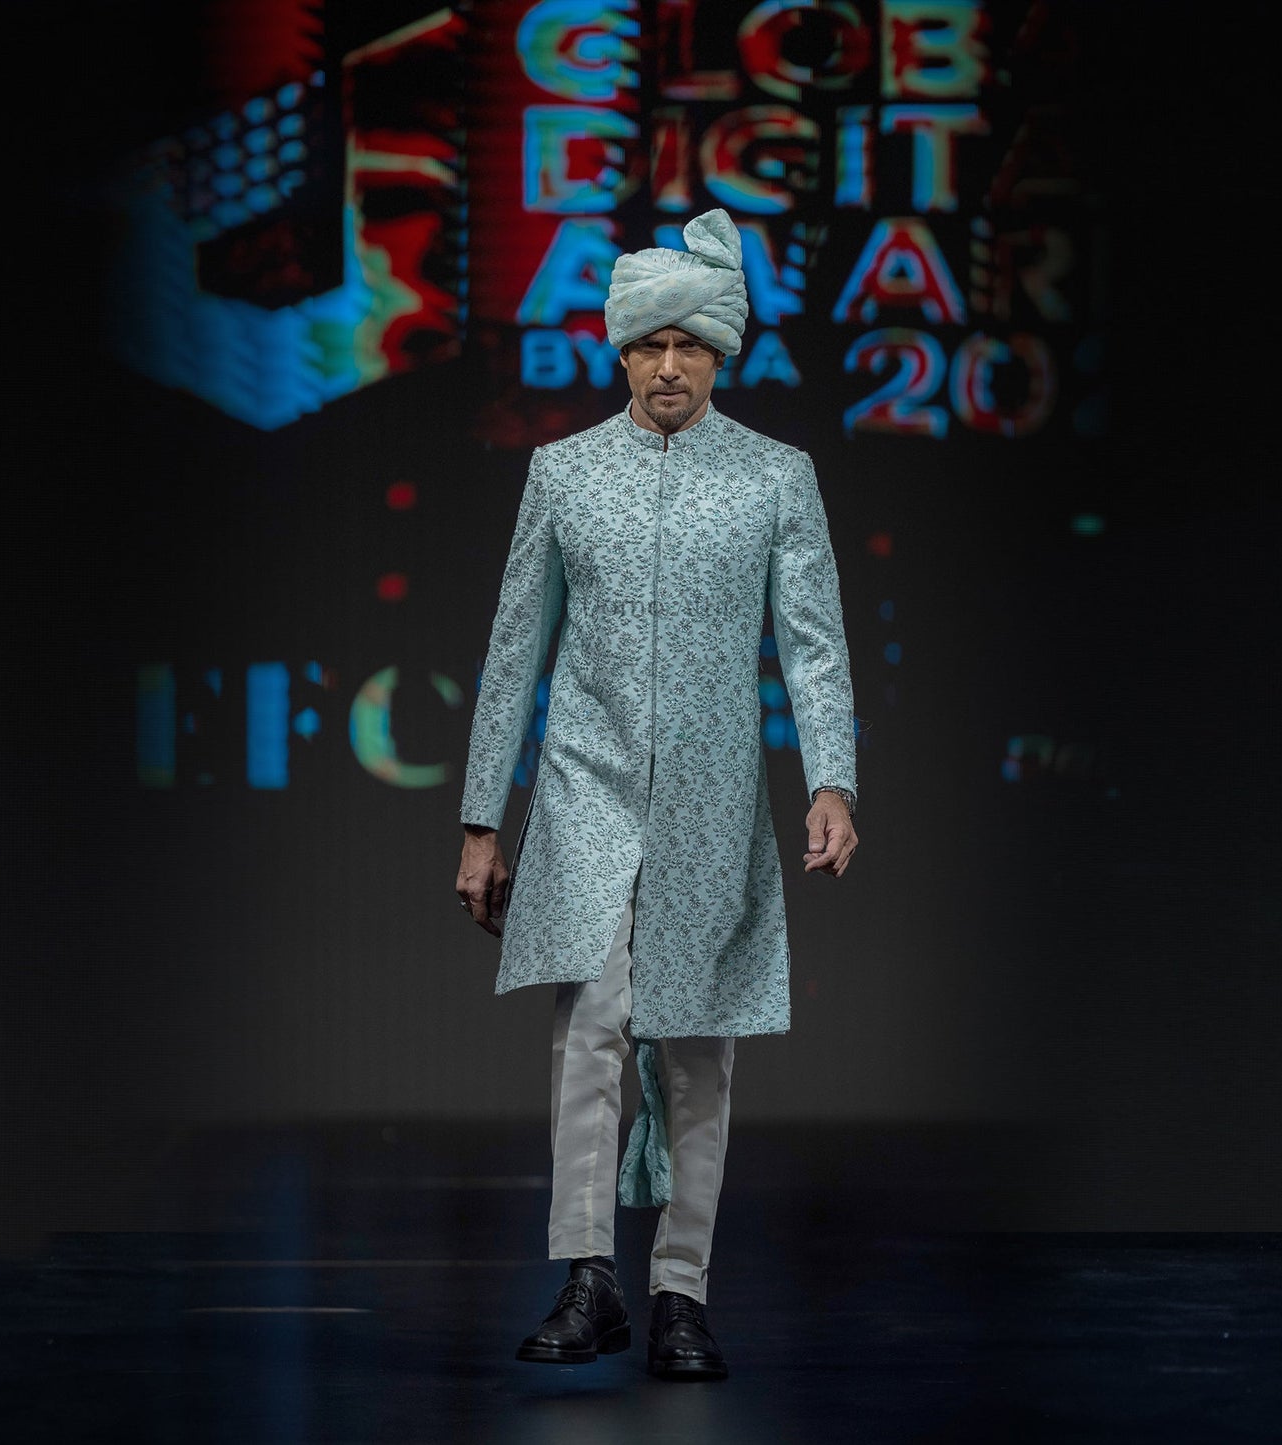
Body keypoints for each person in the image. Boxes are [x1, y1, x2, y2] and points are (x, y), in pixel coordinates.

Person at [455, 209, 857, 1382]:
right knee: (588, 1023)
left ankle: (681, 1287)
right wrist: (481, 820)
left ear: (719, 353)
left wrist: (831, 779)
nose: (668, 365)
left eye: (688, 344)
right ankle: (588, 1274)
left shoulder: (774, 476)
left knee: (698, 1045)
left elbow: (813, 645)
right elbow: (513, 648)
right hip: (584, 782)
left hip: (713, 793)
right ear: (620, 351)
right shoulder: (563, 471)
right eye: (648, 344)